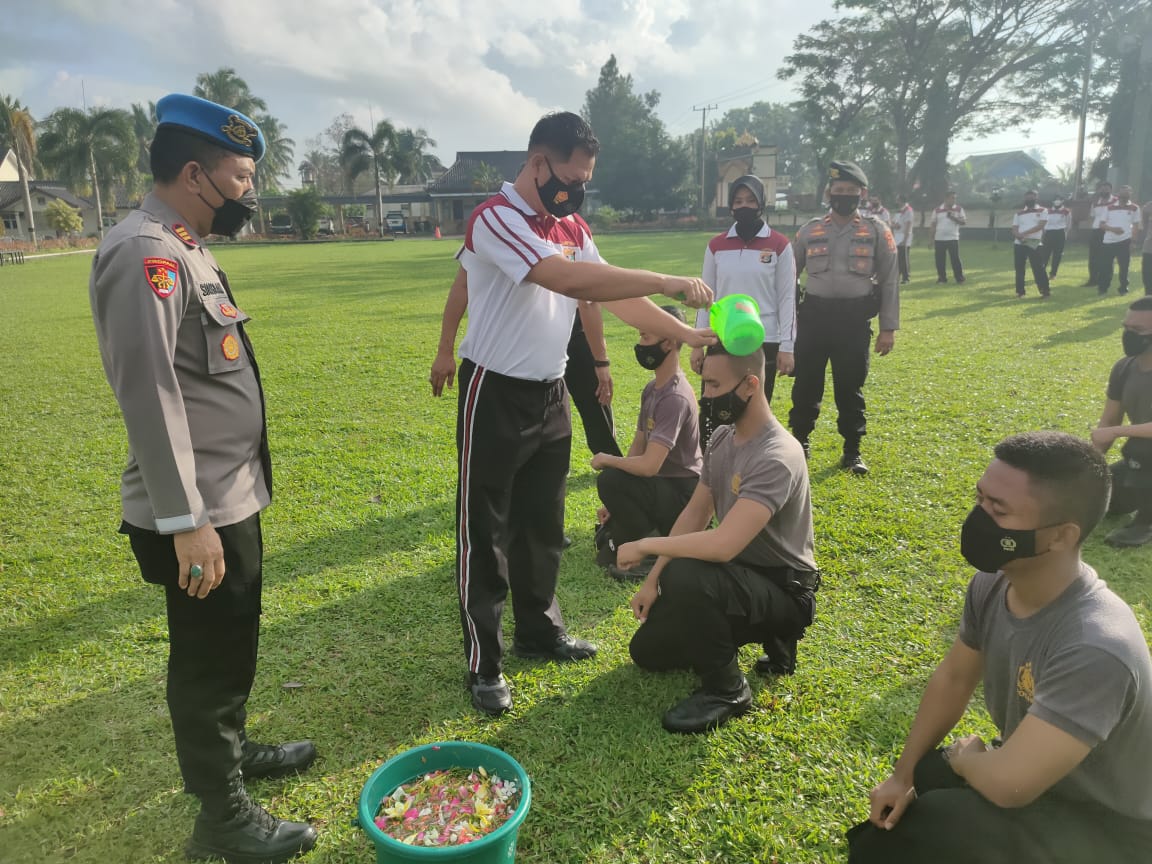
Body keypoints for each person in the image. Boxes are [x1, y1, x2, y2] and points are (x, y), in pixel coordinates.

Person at [88, 94, 317, 863]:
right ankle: (222, 818)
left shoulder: (184, 244)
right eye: (242, 178)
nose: (251, 195)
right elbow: (149, 394)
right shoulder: (144, 253)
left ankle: (235, 750)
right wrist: (187, 520)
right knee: (208, 659)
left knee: (232, 643)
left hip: (227, 497)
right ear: (195, 173)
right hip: (195, 511)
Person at [451, 111, 713, 716]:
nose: (576, 190)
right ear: (539, 162)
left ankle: (539, 631)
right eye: (571, 176)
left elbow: (618, 295)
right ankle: (484, 664)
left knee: (542, 524)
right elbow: (566, 278)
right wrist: (671, 279)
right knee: (485, 529)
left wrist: (685, 336)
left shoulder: (569, 222)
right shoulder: (497, 218)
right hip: (492, 390)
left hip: (548, 391)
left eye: (585, 179)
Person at [847, 431, 1152, 864]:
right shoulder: (994, 582)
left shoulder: (1095, 645)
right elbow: (954, 678)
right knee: (919, 787)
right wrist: (903, 774)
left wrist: (965, 760)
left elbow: (1011, 785)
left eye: (999, 510)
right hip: (1048, 786)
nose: (979, 519)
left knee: (928, 823)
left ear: (1061, 536)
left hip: (1110, 828)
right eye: (980, 499)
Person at [621, 344, 819, 733]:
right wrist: (651, 579)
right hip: (740, 575)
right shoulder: (722, 439)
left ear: (750, 385)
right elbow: (696, 514)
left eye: (713, 385)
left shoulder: (778, 454)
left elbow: (723, 544)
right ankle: (752, 637)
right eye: (704, 383)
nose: (705, 396)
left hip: (785, 589)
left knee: (686, 574)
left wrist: (646, 547)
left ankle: (728, 689)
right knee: (646, 652)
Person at [431, 267, 622, 457]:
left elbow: (589, 298)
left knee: (595, 394)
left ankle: (611, 462)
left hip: (572, 324)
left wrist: (601, 360)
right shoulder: (490, 237)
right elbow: (463, 284)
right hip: (519, 334)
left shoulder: (576, 237)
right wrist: (444, 351)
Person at [789, 160, 899, 475]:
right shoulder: (810, 230)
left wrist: (887, 328)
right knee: (807, 385)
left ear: (861, 194)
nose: (844, 196)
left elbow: (890, 279)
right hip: (813, 318)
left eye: (851, 192)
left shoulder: (877, 230)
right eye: (839, 191)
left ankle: (852, 451)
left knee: (850, 387)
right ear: (829, 193)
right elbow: (788, 277)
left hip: (853, 321)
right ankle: (800, 443)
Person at [591, 305, 702, 581]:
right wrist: (617, 502)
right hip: (661, 487)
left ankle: (651, 549)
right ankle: (639, 536)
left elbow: (650, 466)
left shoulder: (674, 397)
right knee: (606, 540)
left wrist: (608, 460)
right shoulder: (653, 389)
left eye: (645, 338)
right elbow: (639, 445)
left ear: (669, 343)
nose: (640, 345)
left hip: (681, 494)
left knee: (609, 480)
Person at [690, 175, 797, 421]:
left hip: (764, 338)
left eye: (750, 200)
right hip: (722, 337)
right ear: (730, 205)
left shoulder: (779, 245)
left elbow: (787, 299)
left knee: (753, 409)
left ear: (761, 203)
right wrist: (697, 343)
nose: (744, 206)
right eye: (738, 201)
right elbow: (705, 297)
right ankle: (713, 458)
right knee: (715, 407)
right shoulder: (716, 245)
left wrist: (787, 347)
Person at [1091, 297, 1152, 547]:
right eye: (1126, 328)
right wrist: (1088, 467)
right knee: (1098, 498)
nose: (1129, 335)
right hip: (1140, 465)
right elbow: (1109, 420)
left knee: (1140, 447)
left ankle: (1146, 523)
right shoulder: (1124, 368)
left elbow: (1114, 428)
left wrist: (1117, 432)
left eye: (1137, 331)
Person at [1096, 184, 1142, 296]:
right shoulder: (1109, 207)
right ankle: (1103, 288)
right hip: (1109, 241)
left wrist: (1134, 242)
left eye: (1127, 192)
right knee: (1105, 266)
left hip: (1125, 241)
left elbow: (1136, 226)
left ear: (1130, 194)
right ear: (1119, 194)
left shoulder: (1135, 208)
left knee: (1124, 266)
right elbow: (1101, 224)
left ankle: (1123, 289)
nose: (1125, 194)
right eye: (1123, 192)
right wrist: (1113, 229)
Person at [1011, 189, 1050, 298]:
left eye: (1032, 197)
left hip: (1034, 242)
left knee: (1038, 267)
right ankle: (1020, 291)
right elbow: (1014, 228)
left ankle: (1044, 291)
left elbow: (1040, 226)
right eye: (1027, 197)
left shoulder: (1043, 210)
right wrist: (1018, 236)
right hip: (1019, 243)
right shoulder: (1019, 213)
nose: (1029, 199)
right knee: (1019, 268)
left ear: (1036, 198)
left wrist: (1024, 233)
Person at [1085, 180, 1116, 288]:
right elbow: (1092, 216)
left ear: (1111, 190)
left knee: (1107, 257)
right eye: (1102, 189)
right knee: (1093, 257)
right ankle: (1092, 279)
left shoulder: (1115, 201)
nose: (1104, 190)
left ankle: (1106, 280)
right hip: (1096, 231)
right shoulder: (1096, 202)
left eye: (1106, 188)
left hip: (1109, 231)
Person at [930, 190, 966, 284]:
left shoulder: (958, 209)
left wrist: (953, 217)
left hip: (953, 238)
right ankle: (942, 278)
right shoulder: (937, 210)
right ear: (946, 198)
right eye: (952, 198)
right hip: (939, 238)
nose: (954, 200)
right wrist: (931, 239)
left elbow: (963, 222)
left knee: (955, 259)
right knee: (940, 260)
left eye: (955, 198)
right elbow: (933, 224)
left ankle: (959, 278)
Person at [1042, 193, 1070, 278]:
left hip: (1060, 233)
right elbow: (1044, 223)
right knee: (1045, 254)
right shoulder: (1047, 211)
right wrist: (1044, 233)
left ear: (1062, 201)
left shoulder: (1066, 211)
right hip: (1049, 233)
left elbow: (1068, 225)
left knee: (1057, 254)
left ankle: (1053, 273)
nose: (1057, 201)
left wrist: (1065, 235)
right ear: (1053, 201)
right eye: (1055, 199)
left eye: (1059, 199)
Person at [890, 193, 914, 284]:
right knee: (897, 258)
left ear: (901, 200)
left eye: (897, 200)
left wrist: (905, 239)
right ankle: (897, 276)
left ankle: (906, 277)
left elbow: (908, 225)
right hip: (897, 236)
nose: (896, 201)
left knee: (904, 258)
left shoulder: (908, 210)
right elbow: (893, 223)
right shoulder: (899, 211)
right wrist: (894, 225)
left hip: (904, 236)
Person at [1143, 199, 1152, 296]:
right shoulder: (1149, 206)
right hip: (1149, 247)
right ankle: (1148, 295)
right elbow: (1144, 221)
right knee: (1147, 273)